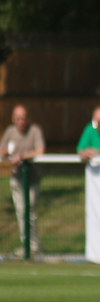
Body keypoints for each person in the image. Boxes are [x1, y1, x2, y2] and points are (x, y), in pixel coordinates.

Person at [1, 104, 45, 257]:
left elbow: (40, 150)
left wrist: (23, 157)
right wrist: (7, 154)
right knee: (21, 212)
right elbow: (3, 150)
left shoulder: (35, 131)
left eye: (24, 118)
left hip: (32, 179)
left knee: (29, 211)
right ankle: (27, 245)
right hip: (17, 179)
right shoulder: (10, 132)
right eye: (18, 118)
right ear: (13, 119)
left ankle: (34, 245)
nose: (21, 121)